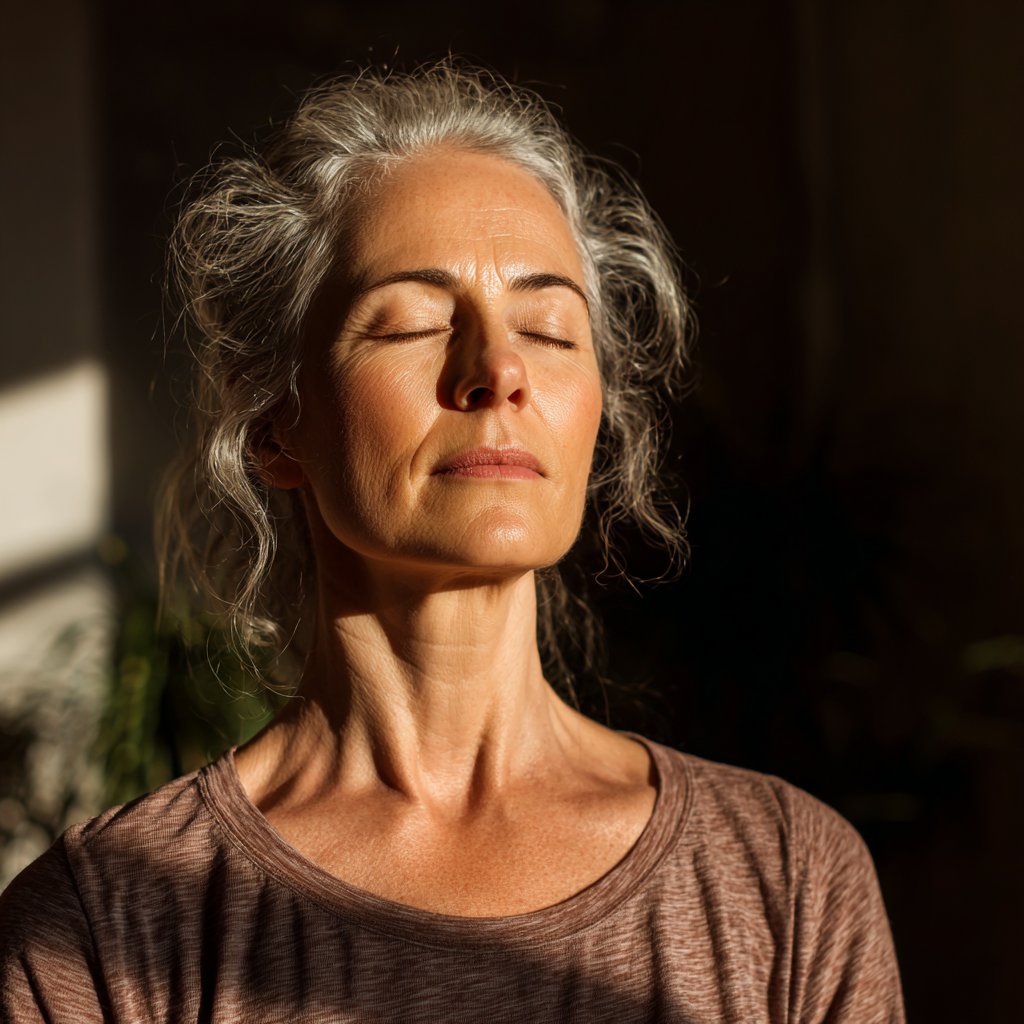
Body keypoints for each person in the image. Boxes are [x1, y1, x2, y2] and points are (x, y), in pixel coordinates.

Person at [0, 64, 904, 1023]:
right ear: (273, 421)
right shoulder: (103, 927)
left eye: (551, 330)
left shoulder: (789, 879)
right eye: (415, 323)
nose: (498, 371)